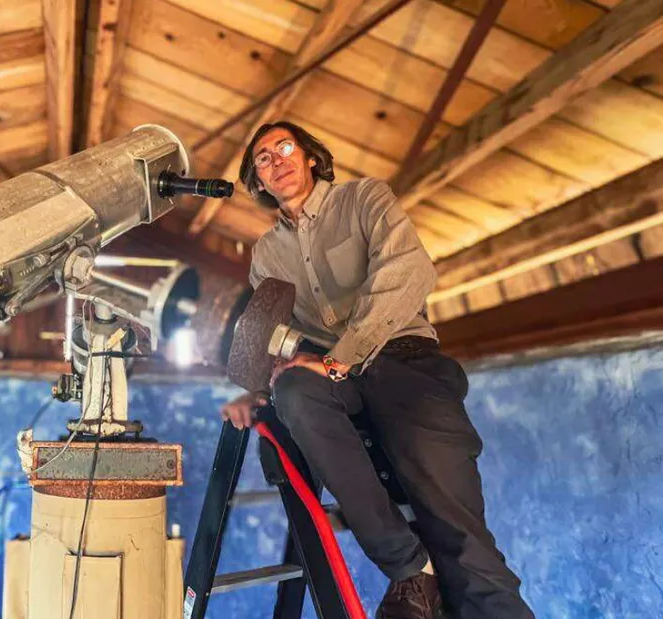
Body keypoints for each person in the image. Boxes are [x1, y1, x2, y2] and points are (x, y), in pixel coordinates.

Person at [219, 121, 534, 619]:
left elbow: (408, 272)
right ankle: (411, 571)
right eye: (262, 158)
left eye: (284, 147)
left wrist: (341, 357)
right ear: (257, 181)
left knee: (459, 535)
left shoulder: (365, 199)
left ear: (310, 158)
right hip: (329, 379)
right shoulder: (265, 255)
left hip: (404, 362)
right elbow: (272, 339)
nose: (276, 160)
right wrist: (257, 392)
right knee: (295, 392)